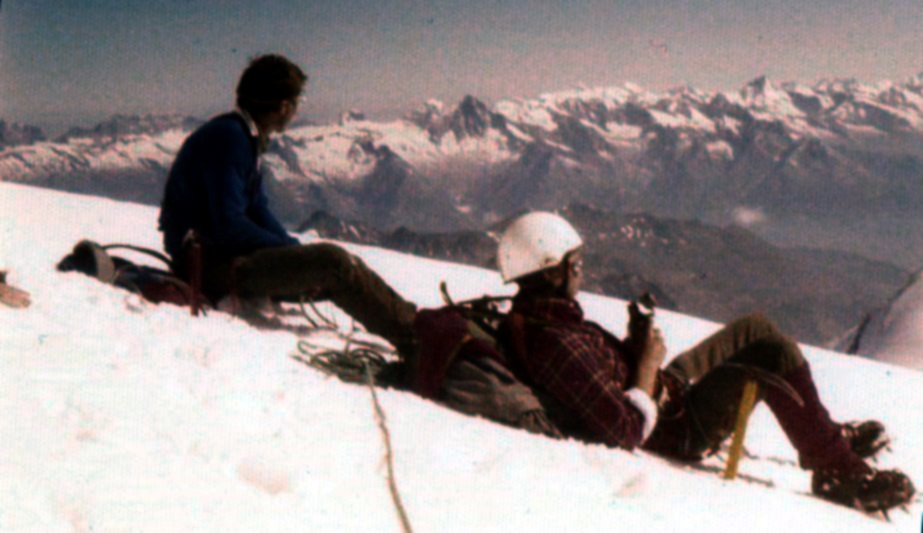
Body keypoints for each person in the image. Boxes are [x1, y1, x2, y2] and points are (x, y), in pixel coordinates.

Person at [490, 211, 914, 514]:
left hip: (661, 392)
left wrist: (638, 350)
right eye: (574, 264)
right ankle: (835, 468)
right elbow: (625, 430)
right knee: (773, 355)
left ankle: (820, 430)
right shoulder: (554, 341)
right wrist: (645, 366)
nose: (580, 272)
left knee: (755, 327)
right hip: (677, 427)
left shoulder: (547, 321)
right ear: (550, 271)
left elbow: (599, 383)